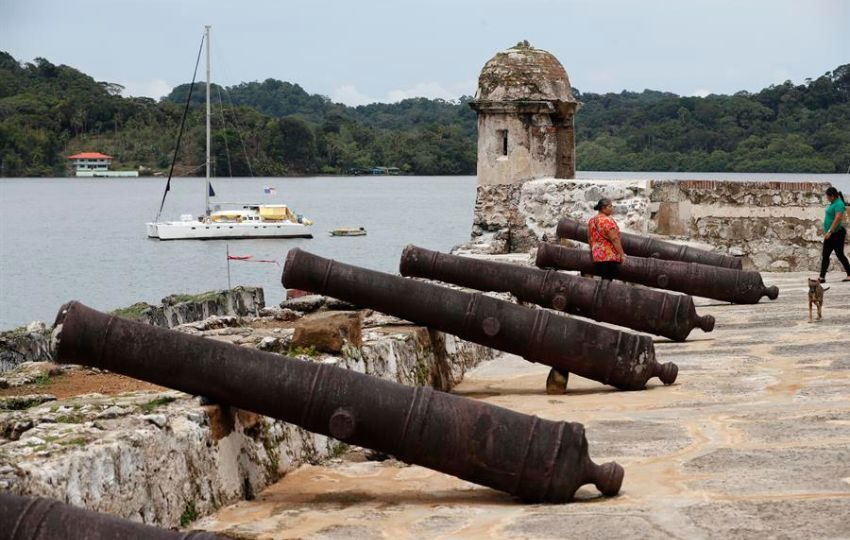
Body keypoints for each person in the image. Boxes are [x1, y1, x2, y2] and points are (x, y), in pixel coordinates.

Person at [588, 198, 626, 280]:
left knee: (604, 280)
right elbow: (614, 239)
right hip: (608, 255)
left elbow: (590, 238)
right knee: (607, 281)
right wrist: (622, 254)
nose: (612, 208)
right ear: (603, 208)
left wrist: (593, 251)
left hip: (597, 256)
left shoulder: (592, 221)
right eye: (610, 206)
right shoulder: (607, 220)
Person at [819, 186, 850, 283]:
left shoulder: (839, 204)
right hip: (830, 233)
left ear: (832, 196)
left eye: (828, 196)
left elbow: (838, 218)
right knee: (825, 254)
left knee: (839, 254)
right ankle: (822, 277)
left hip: (837, 233)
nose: (827, 198)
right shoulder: (833, 203)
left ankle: (849, 274)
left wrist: (830, 231)